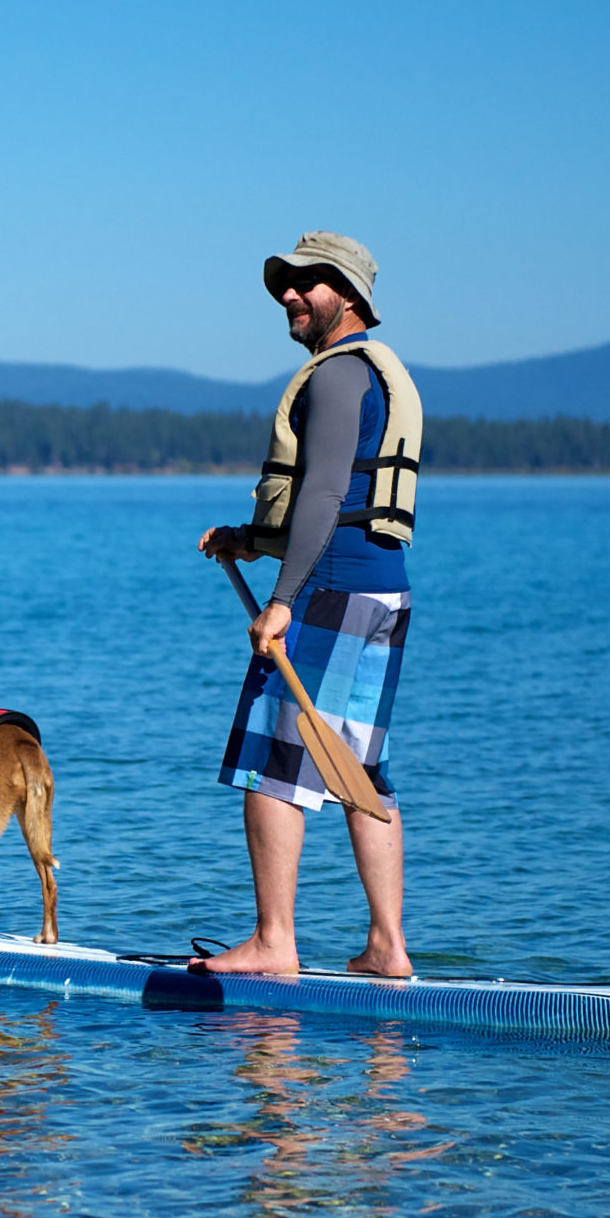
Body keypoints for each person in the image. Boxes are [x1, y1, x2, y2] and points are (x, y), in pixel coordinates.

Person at [195, 231, 423, 977]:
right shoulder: (375, 377)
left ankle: (272, 942)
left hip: (328, 594)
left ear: (350, 296)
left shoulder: (335, 377)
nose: (290, 295)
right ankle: (388, 948)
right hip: (381, 590)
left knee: (272, 761)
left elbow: (323, 493)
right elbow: (345, 501)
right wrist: (249, 540)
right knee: (362, 769)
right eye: (285, 285)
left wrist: (283, 599)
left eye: (309, 283)